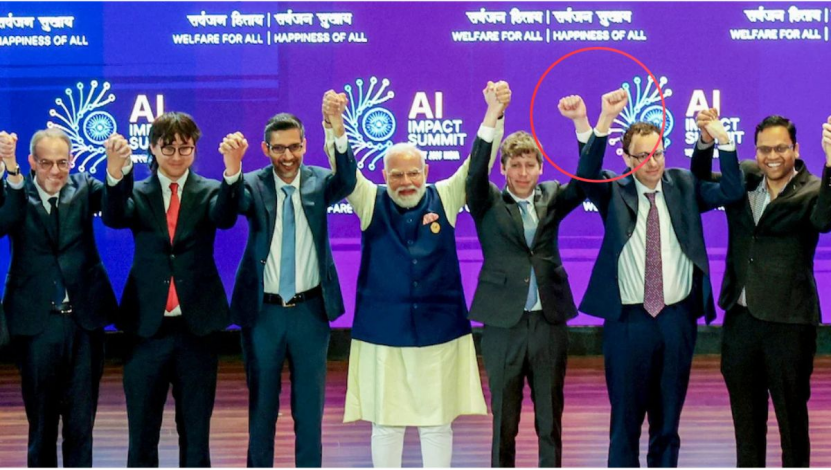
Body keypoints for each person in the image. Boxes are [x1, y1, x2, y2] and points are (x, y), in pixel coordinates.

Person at [324, 81, 509, 467]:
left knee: (437, 422)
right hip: (383, 333)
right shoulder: (369, 199)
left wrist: (493, 113)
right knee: (386, 423)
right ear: (383, 174)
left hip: (439, 329)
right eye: (396, 175)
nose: (405, 182)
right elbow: (345, 173)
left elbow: (477, 165)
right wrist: (337, 126)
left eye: (413, 173)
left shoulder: (446, 195)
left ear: (425, 171)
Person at [576, 89, 744, 467]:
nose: (653, 163)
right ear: (626, 157)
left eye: (658, 153)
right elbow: (585, 175)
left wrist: (723, 141)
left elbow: (732, 191)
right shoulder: (613, 189)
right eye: (643, 156)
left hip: (676, 319)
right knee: (625, 424)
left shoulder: (683, 183)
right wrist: (604, 119)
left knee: (668, 424)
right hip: (628, 322)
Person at [215, 91, 357, 467]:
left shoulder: (320, 182)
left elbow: (347, 179)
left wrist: (337, 127)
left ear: (305, 145)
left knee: (309, 412)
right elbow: (226, 213)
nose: (288, 156)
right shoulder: (252, 184)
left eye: (294, 147)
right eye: (278, 149)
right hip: (264, 313)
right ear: (266, 149)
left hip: (311, 312)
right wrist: (232, 169)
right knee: (262, 409)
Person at [691, 112, 831, 467]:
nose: (772, 156)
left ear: (796, 149)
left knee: (792, 425)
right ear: (755, 151)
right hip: (741, 322)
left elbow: (825, 220)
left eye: (781, 148)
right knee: (746, 426)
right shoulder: (744, 177)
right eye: (764, 149)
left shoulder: (814, 189)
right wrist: (706, 140)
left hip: (789, 324)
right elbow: (700, 181)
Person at [102, 112, 241, 467]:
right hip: (146, 329)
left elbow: (225, 217)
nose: (177, 156)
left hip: (197, 329)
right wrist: (115, 173)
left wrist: (232, 170)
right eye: (168, 148)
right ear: (152, 148)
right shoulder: (137, 192)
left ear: (195, 149)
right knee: (142, 432)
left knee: (195, 433)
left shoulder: (210, 190)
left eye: (185, 148)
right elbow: (114, 218)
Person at [465, 94, 591, 467]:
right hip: (503, 324)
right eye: (515, 165)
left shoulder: (551, 196)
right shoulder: (486, 201)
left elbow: (585, 181)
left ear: (540, 167)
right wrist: (492, 114)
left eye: (530, 165)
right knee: (504, 418)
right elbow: (475, 171)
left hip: (548, 322)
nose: (523, 172)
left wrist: (581, 124)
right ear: (503, 168)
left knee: (550, 417)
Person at [0, 128, 119, 466]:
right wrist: (9, 170)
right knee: (42, 425)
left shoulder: (84, 187)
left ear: (72, 161)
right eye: (46, 163)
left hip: (83, 322)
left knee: (81, 423)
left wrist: (114, 170)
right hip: (37, 324)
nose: (55, 171)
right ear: (32, 162)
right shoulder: (15, 192)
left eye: (62, 163)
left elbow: (116, 212)